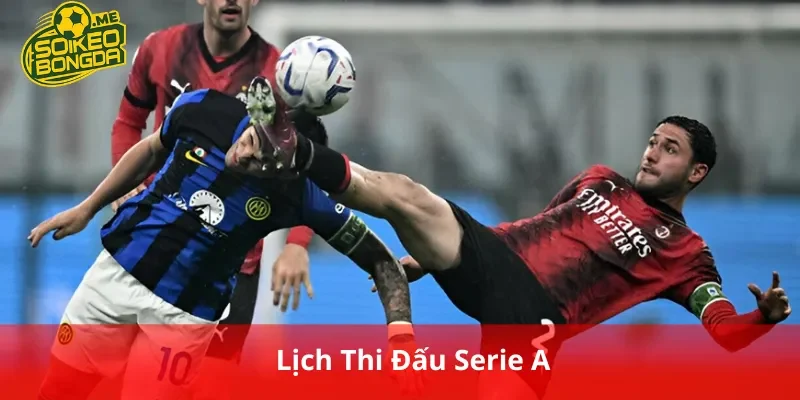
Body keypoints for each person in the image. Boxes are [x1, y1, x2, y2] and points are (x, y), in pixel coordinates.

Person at [252, 104, 792, 399]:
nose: (651, 153)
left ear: (696, 172)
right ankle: (296, 152)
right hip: (494, 257)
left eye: (669, 149)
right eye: (653, 141)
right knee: (404, 194)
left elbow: (725, 331)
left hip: (535, 325)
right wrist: (429, 258)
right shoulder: (601, 179)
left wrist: (761, 320)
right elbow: (537, 228)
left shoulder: (687, 254)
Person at [29, 83, 414, 400]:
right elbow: (151, 149)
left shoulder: (303, 193)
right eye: (250, 140)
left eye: (262, 163)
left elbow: (381, 261)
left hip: (184, 317)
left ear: (290, 171)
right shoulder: (203, 108)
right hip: (115, 275)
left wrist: (401, 338)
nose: (245, 156)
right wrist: (88, 208)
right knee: (60, 391)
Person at [110, 0, 315, 378]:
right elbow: (128, 121)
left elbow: (305, 162)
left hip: (230, 261)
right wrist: (125, 186)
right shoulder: (160, 50)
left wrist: (297, 243)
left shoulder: (279, 73)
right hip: (151, 242)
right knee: (106, 372)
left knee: (208, 383)